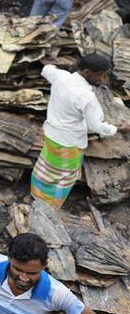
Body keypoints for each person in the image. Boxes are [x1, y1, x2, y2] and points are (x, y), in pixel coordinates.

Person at [33, 54, 130, 208]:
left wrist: (51, 61)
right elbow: (98, 126)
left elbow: (47, 69)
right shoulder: (86, 96)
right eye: (100, 74)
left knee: (46, 169)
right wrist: (118, 129)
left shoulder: (61, 77)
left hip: (51, 135)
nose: (103, 78)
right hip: (69, 143)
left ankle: (36, 196)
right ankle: (50, 208)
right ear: (86, 72)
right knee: (64, 177)